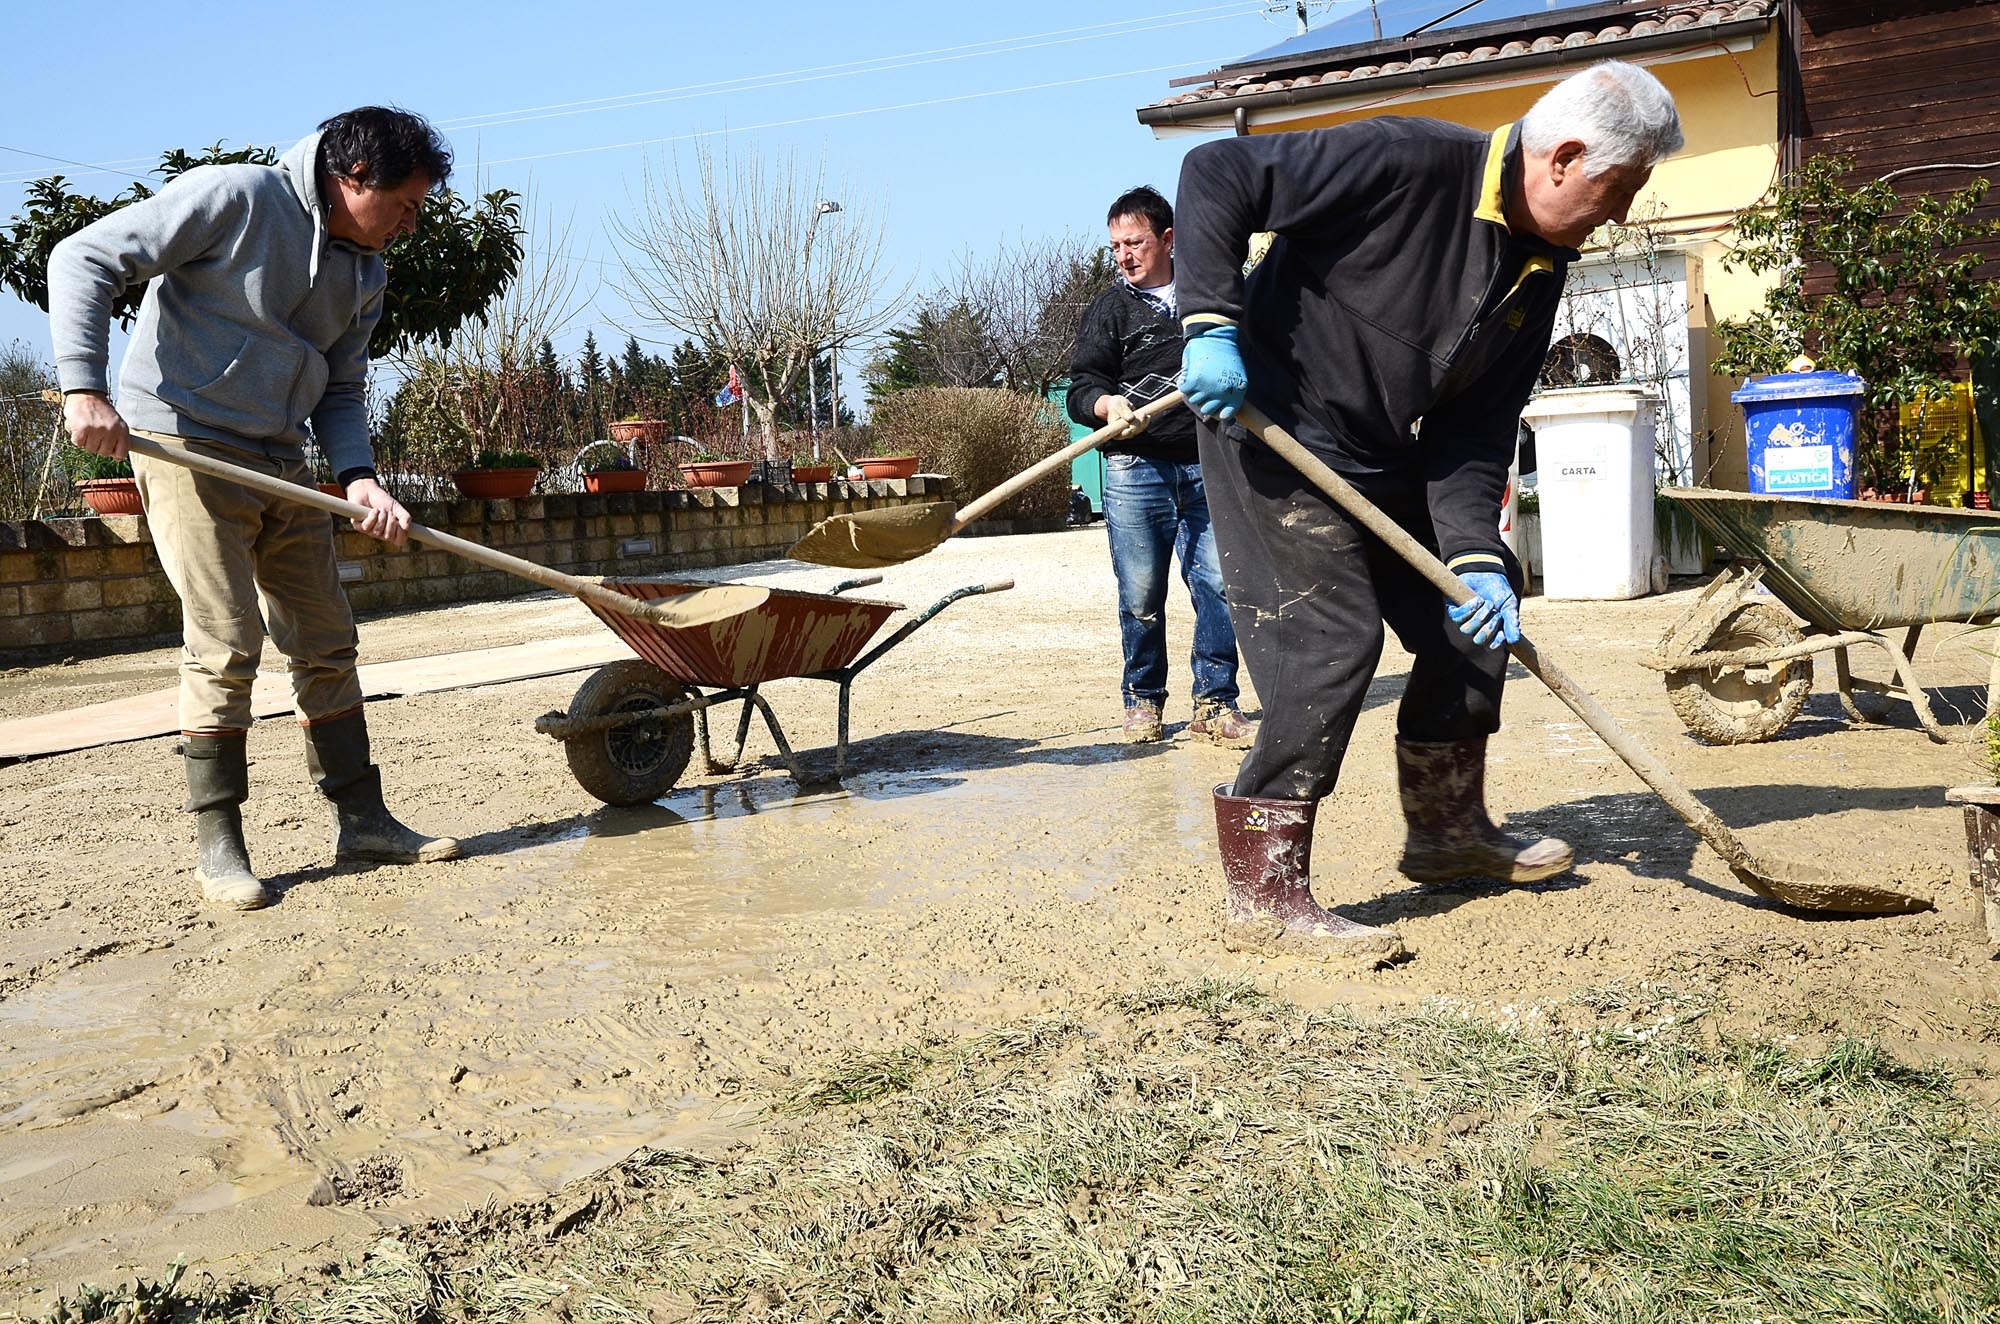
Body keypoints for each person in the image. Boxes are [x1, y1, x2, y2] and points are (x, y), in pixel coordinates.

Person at [1172, 62, 1684, 959]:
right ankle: (1266, 894)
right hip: (1272, 433)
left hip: (1383, 454)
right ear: (1562, 158)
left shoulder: (1538, 269)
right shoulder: (1406, 159)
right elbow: (1220, 171)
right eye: (1618, 189)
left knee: (1471, 624)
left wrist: (1476, 556)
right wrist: (1210, 321)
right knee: (1328, 645)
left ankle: (1446, 836)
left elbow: (1474, 427)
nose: (1622, 214)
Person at [50, 106, 462, 912]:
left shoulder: (365, 274)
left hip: (282, 462)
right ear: (353, 179)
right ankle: (220, 847)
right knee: (226, 642)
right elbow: (83, 256)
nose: (411, 225)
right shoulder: (237, 198)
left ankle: (363, 819)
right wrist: (82, 385)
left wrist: (358, 477)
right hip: (186, 447)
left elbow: (341, 388)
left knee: (326, 636)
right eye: (405, 206)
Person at [1066, 186, 1255, 747]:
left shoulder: (1210, 295)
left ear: (1168, 239)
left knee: (1219, 586)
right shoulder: (1109, 309)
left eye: (1135, 242)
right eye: (1115, 245)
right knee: (1141, 593)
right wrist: (1105, 405)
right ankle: (1143, 700)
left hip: (1211, 463)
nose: (1124, 255)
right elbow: (1082, 387)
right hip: (1134, 470)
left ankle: (1215, 703)